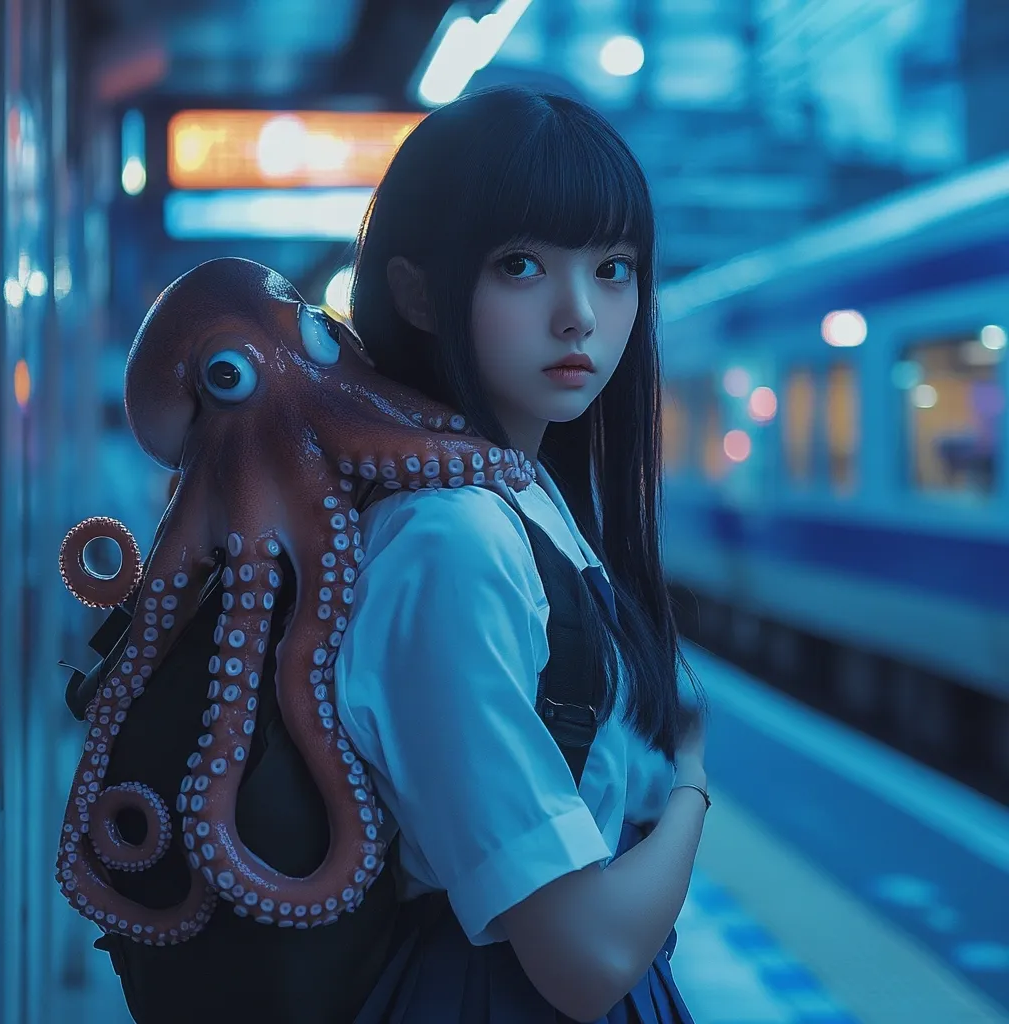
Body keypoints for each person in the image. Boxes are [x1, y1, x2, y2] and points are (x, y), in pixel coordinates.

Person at [334, 85, 711, 1023]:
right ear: (418, 291)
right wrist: (694, 781)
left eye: (614, 268)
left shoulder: (523, 499)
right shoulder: (453, 542)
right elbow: (587, 959)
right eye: (522, 265)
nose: (580, 314)